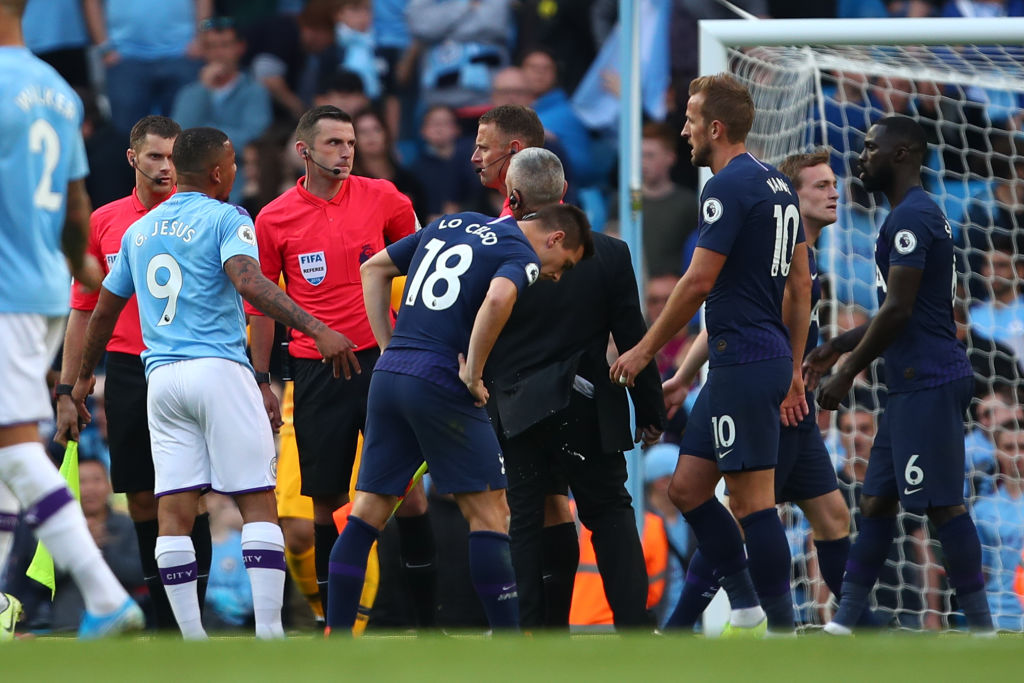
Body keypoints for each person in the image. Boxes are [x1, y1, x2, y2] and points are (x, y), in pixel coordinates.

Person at [69, 126, 353, 640]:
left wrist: (84, 376)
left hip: (161, 380)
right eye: (234, 164)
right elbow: (249, 281)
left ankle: (190, 639)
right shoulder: (227, 217)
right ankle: (270, 633)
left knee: (174, 507)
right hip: (218, 369)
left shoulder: (139, 230)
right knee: (256, 499)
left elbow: (104, 309)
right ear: (219, 171)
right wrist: (316, 328)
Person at [326, 203, 594, 635]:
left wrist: (388, 347)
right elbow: (499, 297)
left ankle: (334, 641)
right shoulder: (520, 252)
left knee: (367, 513)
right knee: (490, 512)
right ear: (555, 238)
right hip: (440, 381)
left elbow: (373, 269)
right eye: (564, 265)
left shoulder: (452, 222)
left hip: (390, 375)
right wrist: (472, 373)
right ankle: (510, 647)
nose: (558, 276)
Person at [610, 73, 812, 635]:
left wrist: (645, 350)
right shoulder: (778, 184)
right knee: (687, 489)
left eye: (691, 120)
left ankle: (783, 632)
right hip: (744, 360)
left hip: (744, 361)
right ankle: (745, 607)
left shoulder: (724, 187)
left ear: (715, 128)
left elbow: (699, 282)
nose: (684, 131)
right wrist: (791, 367)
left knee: (752, 503)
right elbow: (800, 285)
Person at [245, 105, 436, 627]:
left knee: (409, 494)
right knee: (325, 500)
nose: (346, 151)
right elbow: (261, 305)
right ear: (303, 151)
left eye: (350, 142)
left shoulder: (385, 197)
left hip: (383, 364)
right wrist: (261, 379)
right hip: (315, 372)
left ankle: (428, 625)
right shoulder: (274, 218)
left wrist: (420, 345)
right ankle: (336, 624)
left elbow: (424, 269)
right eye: (334, 143)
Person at [806, 115, 995, 636]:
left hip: (930, 379)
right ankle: (844, 623)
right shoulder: (908, 215)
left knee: (943, 506)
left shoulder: (912, 218)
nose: (861, 157)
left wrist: (846, 371)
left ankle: (982, 627)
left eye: (871, 148)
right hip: (911, 382)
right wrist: (837, 345)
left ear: (903, 153)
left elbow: (899, 311)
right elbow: (898, 310)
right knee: (876, 501)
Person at [660, 149, 854, 630]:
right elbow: (731, 317)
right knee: (738, 506)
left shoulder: (803, 259)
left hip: (782, 393)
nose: (834, 193)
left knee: (825, 516)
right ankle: (713, 621)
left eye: (834, 184)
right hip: (768, 390)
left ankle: (854, 624)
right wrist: (685, 374)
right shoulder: (780, 257)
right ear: (790, 197)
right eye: (821, 185)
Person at [0, 0, 142, 640]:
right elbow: (76, 203)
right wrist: (84, 271)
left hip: (5, 290)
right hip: (43, 287)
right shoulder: (56, 89)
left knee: (16, 447)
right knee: (6, 451)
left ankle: (106, 597)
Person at [485, 148, 664, 630]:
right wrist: (650, 409)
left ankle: (530, 636)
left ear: (513, 196)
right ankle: (634, 627)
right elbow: (633, 336)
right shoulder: (609, 252)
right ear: (563, 192)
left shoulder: (492, 250)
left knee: (524, 517)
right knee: (609, 513)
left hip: (516, 410)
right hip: (587, 406)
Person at [54, 115, 214, 631]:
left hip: (190, 362)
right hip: (127, 369)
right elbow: (83, 311)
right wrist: (69, 385)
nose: (166, 167)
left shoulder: (205, 216)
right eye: (155, 157)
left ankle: (195, 620)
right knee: (142, 497)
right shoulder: (105, 221)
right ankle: (167, 624)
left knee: (192, 496)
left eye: (173, 157)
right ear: (132, 158)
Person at [171, 17, 272, 205]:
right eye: (211, 46)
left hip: (240, 182)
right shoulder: (189, 93)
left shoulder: (255, 91)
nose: (218, 53)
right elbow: (179, 139)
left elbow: (253, 139)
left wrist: (201, 135)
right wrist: (204, 89)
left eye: (225, 45)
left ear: (240, 47)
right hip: (193, 186)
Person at [50, 458, 146, 632]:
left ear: (109, 485)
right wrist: (78, 545)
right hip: (66, 621)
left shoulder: (127, 525)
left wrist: (102, 548)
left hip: (121, 619)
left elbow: (138, 573)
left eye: (96, 480)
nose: (90, 488)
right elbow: (42, 578)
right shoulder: (56, 528)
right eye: (81, 481)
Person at [973, 420, 1024, 631]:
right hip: (999, 616)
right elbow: (981, 571)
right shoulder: (983, 509)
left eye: (1022, 447)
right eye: (1009, 447)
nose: (1017, 455)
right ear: (997, 452)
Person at [471, 104, 546, 216]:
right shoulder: (543, 206)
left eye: (484, 148)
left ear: (514, 149)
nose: (474, 158)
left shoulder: (537, 219)